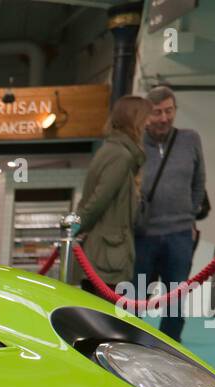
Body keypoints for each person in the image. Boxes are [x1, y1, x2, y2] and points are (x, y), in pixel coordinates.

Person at [132, 86, 207, 342]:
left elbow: (199, 181)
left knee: (176, 301)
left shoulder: (190, 139)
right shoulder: (135, 142)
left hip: (180, 234)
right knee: (135, 298)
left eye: (169, 111)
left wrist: (190, 213)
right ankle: (129, 345)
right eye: (156, 113)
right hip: (143, 234)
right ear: (146, 115)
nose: (164, 118)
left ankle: (169, 349)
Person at [75, 95, 152, 297]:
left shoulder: (111, 150)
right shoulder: (121, 156)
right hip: (107, 258)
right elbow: (96, 202)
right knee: (105, 320)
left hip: (102, 254)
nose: (149, 123)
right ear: (135, 121)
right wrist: (74, 228)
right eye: (146, 118)